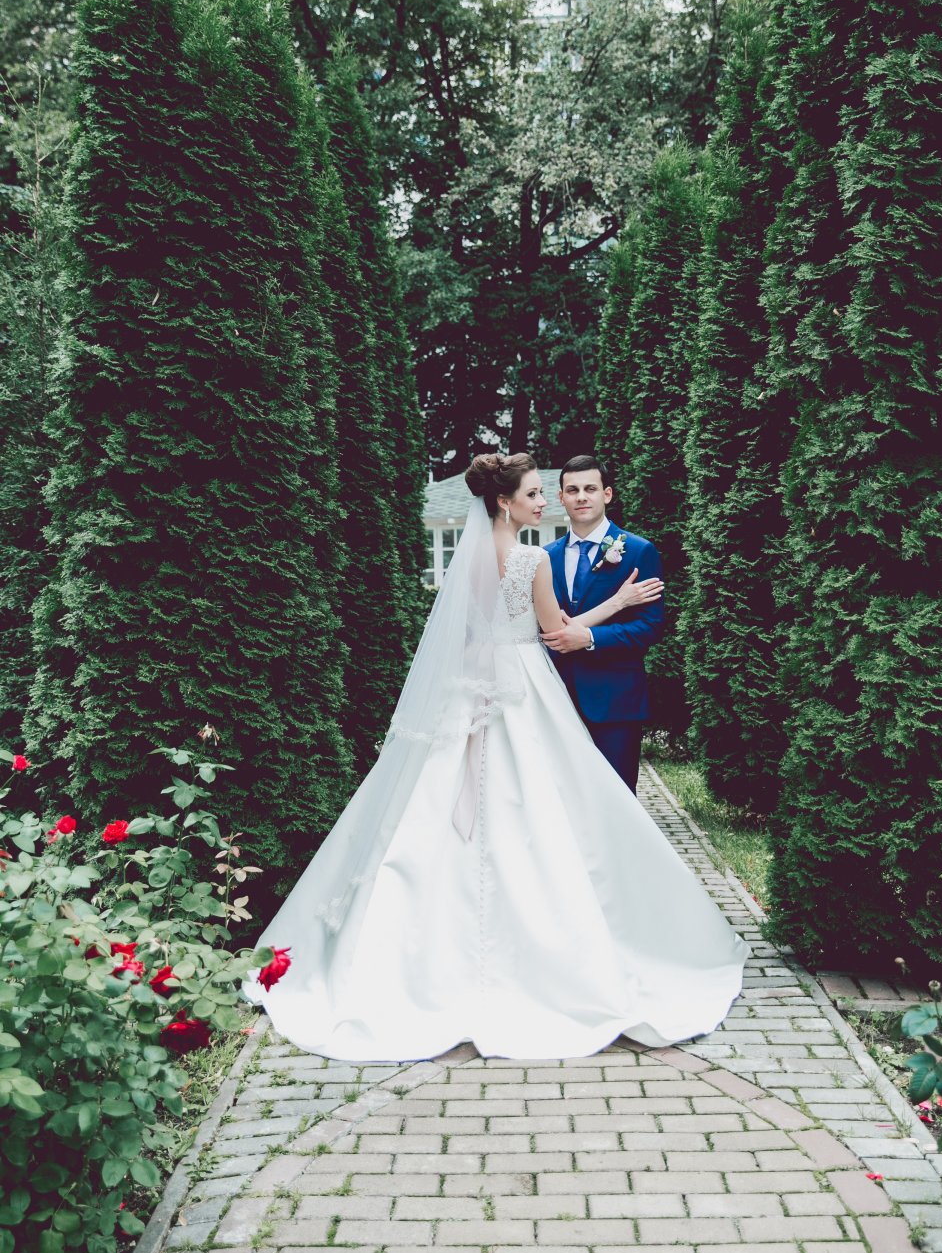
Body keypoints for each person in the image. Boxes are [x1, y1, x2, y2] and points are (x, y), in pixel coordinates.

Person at [246, 453, 747, 1062]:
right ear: (505, 502)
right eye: (535, 494)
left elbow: (463, 637)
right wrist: (617, 604)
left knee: (436, 813)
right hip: (523, 691)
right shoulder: (534, 559)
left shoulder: (469, 559)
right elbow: (555, 633)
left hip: (470, 694)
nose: (545, 502)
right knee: (543, 809)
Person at [543, 455, 664, 793]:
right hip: (555, 700)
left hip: (615, 703)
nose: (581, 497)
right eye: (573, 490)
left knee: (616, 798)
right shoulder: (545, 557)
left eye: (590, 489)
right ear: (561, 497)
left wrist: (591, 638)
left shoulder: (638, 551)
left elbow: (650, 626)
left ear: (607, 494)